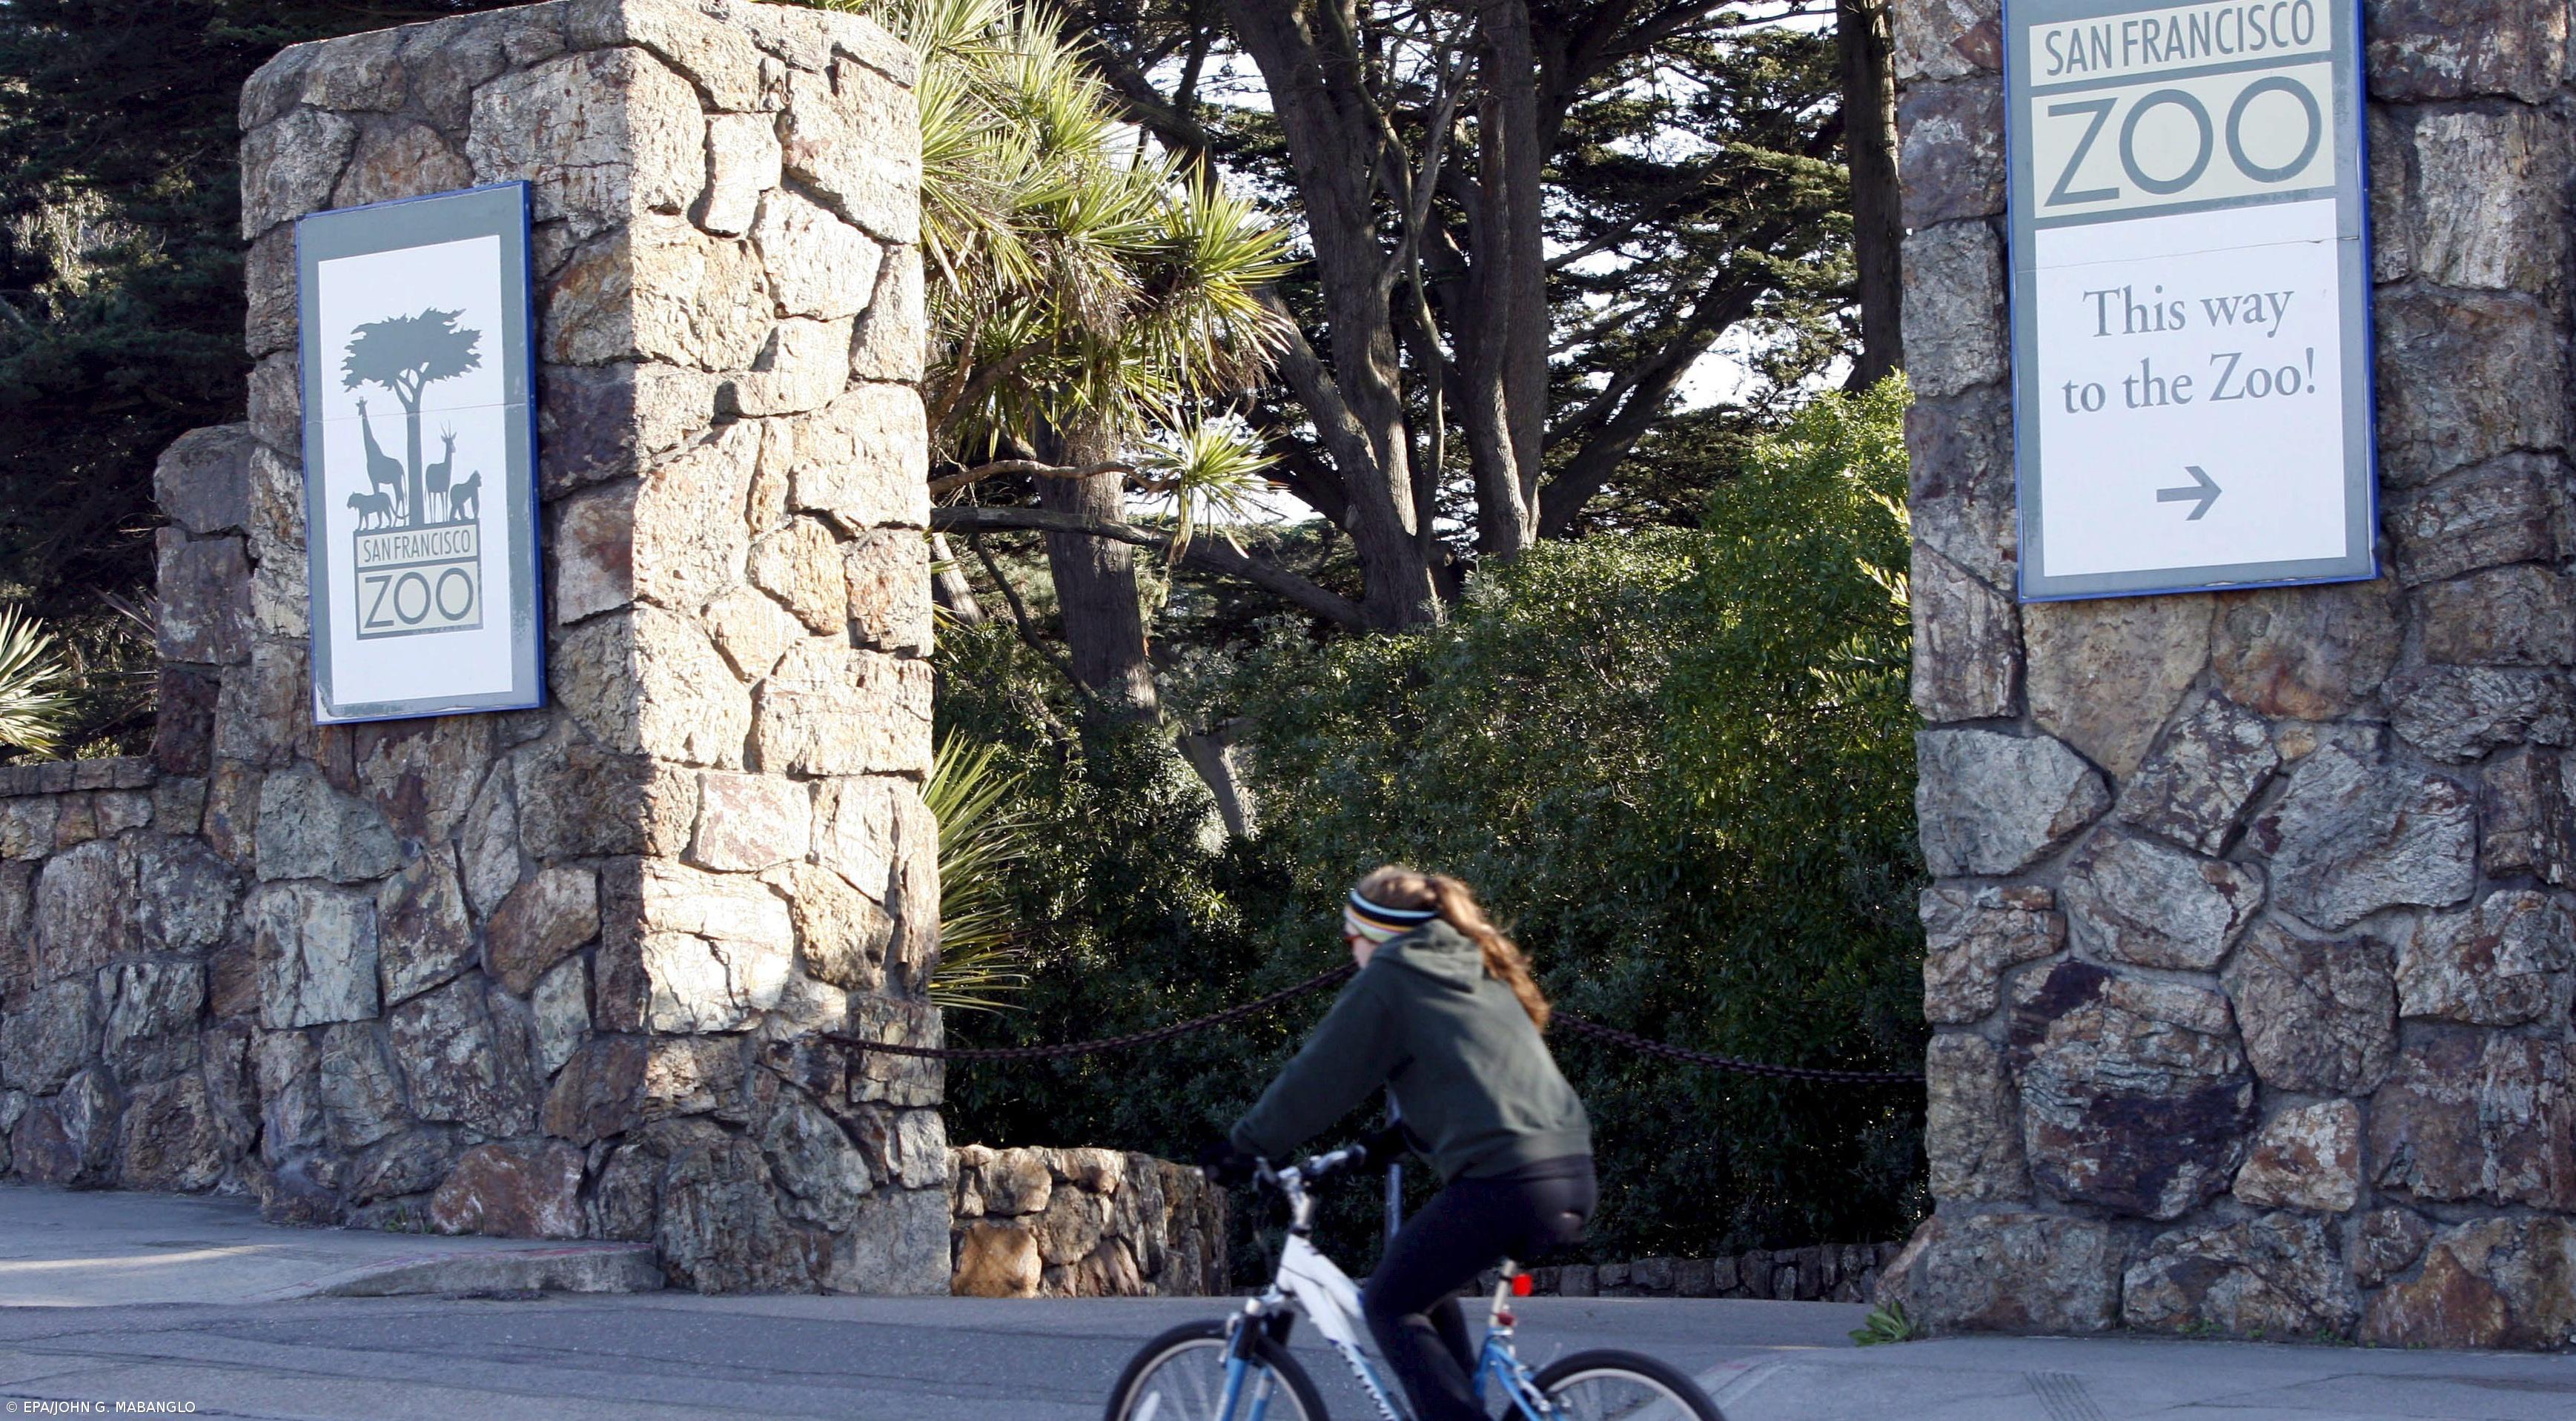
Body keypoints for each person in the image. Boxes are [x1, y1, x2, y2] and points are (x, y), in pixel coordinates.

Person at [1204, 866, 1594, 1421]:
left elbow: (1322, 1076)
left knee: (1388, 1304)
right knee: (1426, 1295)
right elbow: (1476, 1086)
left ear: (1376, 934)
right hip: (1568, 1169)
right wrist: (1385, 1144)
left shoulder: (1393, 974)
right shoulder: (1472, 966)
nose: (1351, 953)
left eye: (1350, 939)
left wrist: (1245, 1145)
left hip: (1505, 1181)